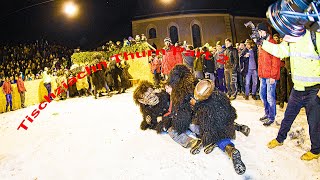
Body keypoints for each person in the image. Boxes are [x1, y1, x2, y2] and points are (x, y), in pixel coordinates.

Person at [262, 29, 320, 161]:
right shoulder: (290, 37)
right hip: (297, 89)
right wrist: (263, 41)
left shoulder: (315, 36)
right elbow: (280, 51)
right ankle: (279, 139)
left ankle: (316, 150)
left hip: (314, 90)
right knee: (287, 118)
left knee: (314, 123)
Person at [256, 23, 281, 126]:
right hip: (263, 75)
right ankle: (267, 113)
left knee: (270, 97)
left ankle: (271, 116)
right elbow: (261, 61)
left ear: (265, 31)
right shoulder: (262, 44)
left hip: (270, 76)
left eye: (260, 31)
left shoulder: (272, 43)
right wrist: (260, 73)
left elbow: (276, 61)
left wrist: (273, 76)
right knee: (262, 95)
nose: (259, 33)